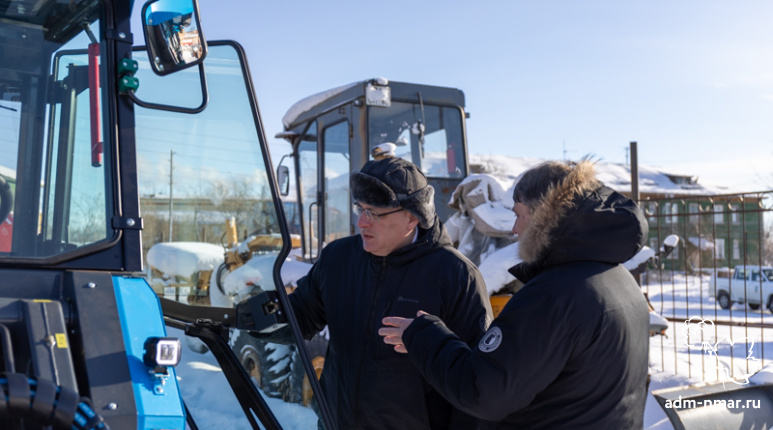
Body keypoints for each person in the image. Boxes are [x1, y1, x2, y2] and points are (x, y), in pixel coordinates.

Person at [380, 160, 650, 429]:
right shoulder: (617, 279)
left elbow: (483, 392)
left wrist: (424, 336)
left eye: (518, 214)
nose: (514, 228)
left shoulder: (552, 296)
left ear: (543, 215)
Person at [286, 156, 493, 429]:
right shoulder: (339, 258)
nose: (361, 222)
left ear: (412, 216)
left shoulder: (456, 276)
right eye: (359, 209)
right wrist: (261, 316)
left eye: (373, 213)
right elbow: (301, 315)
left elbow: (476, 382)